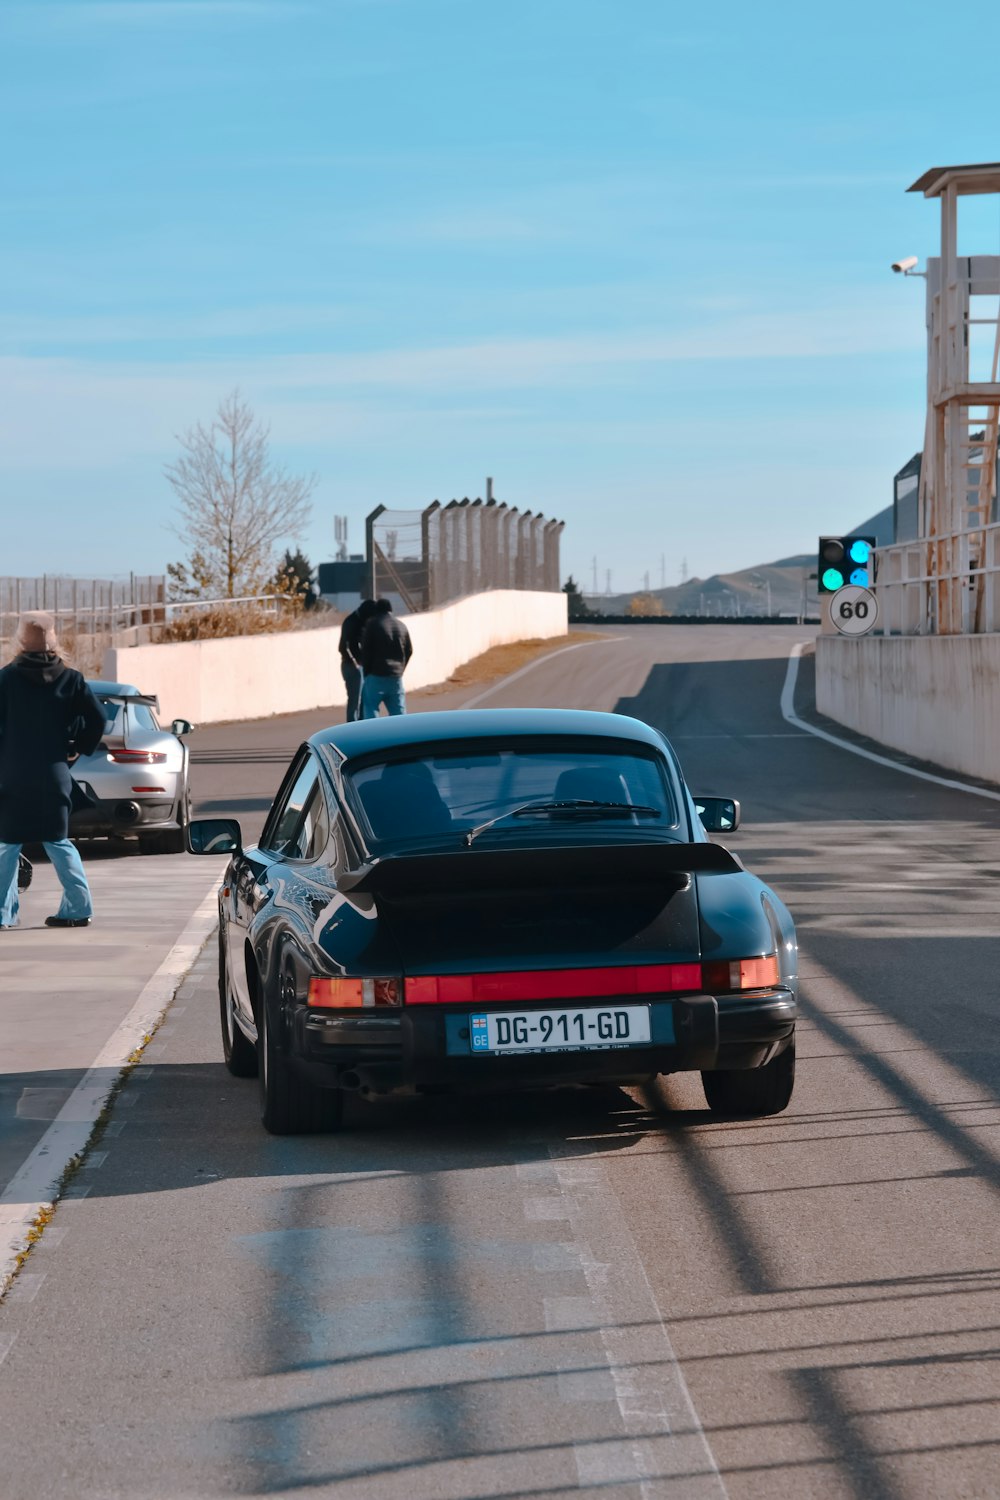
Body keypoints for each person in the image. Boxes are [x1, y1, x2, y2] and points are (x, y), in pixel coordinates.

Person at [0, 612, 105, 929]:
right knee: (58, 842)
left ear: (20, 642)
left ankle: (3, 914)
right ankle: (77, 909)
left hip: (13, 773)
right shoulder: (71, 679)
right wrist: (78, 747)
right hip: (54, 772)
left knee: (7, 845)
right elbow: (98, 719)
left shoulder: (5, 679)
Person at [359, 598, 413, 718]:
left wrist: (367, 672)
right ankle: (399, 735)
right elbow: (409, 650)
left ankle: (373, 735)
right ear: (390, 609)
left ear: (377, 610)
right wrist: (400, 669)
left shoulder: (373, 624)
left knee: (371, 707)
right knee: (398, 713)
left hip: (376, 675)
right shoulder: (401, 626)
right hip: (395, 677)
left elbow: (366, 650)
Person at [338, 597, 377, 723]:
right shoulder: (351, 622)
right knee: (355, 699)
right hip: (351, 665)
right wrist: (355, 661)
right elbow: (343, 647)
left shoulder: (363, 621)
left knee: (364, 699)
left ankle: (361, 725)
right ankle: (352, 727)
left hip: (361, 665)